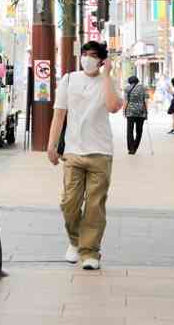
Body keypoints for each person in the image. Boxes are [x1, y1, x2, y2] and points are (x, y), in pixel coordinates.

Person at [47, 40, 123, 271]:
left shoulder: (108, 82)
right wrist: (52, 146)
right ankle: (75, 241)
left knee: (94, 205)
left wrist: (108, 74)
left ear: (102, 60)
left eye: (93, 55)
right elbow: (59, 115)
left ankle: (90, 252)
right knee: (69, 203)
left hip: (100, 152)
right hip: (73, 151)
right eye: (85, 54)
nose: (87, 58)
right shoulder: (69, 80)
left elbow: (112, 107)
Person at [123, 75, 149, 154]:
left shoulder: (127, 88)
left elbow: (126, 101)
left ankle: (131, 149)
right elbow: (146, 100)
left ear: (129, 81)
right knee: (139, 131)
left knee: (130, 130)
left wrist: (124, 111)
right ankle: (135, 146)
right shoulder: (144, 88)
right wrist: (146, 111)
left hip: (130, 111)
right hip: (141, 111)